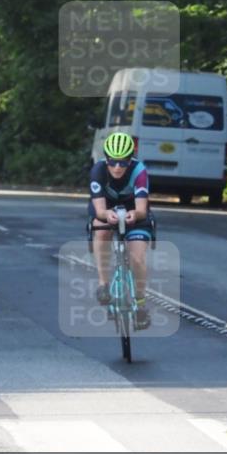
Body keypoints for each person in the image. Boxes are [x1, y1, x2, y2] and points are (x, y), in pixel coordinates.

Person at [89, 131, 153, 329]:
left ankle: (140, 303)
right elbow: (99, 210)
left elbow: (141, 210)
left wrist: (135, 214)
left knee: (137, 258)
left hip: (134, 210)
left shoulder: (139, 170)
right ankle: (103, 283)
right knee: (101, 231)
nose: (117, 167)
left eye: (123, 162)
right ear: (106, 159)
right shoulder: (98, 170)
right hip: (105, 207)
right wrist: (107, 215)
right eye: (113, 162)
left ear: (130, 160)